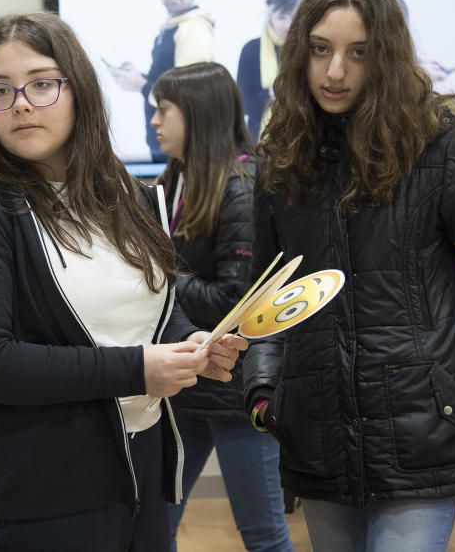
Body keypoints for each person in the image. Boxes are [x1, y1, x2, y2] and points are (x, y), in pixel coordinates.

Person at [243, 0, 455, 551]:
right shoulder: (282, 163)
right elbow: (266, 303)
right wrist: (265, 397)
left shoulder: (446, 153)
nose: (335, 71)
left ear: (385, 56)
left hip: (425, 439)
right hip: (319, 444)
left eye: (358, 53)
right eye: (320, 50)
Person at [0, 12, 247, 552]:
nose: (20, 103)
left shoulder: (126, 193)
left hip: (140, 463)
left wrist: (189, 342)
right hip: (39, 484)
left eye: (42, 84)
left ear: (79, 90)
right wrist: (138, 368)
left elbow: (154, 307)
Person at [150, 62, 293, 552]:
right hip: (190, 380)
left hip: (236, 384)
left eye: (162, 111)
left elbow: (236, 301)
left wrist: (159, 279)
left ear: (197, 114)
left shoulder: (240, 186)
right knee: (154, 525)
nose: (154, 122)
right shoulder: (179, 178)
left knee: (264, 535)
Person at [109, 0, 215, 162]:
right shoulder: (171, 25)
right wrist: (139, 77)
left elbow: (188, 94)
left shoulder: (193, 29)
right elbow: (167, 76)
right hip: (167, 143)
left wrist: (141, 86)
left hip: (183, 146)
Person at [237, 0, 305, 142]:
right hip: (259, 142)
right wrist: (270, 95)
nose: (289, 25)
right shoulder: (251, 50)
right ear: (269, 13)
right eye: (282, 17)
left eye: (294, 16)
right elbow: (243, 104)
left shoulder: (311, 48)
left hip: (303, 138)